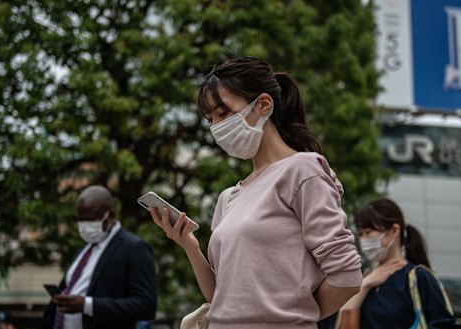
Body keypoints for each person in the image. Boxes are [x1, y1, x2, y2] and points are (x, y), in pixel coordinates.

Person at [150, 56, 362, 328]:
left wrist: (293, 316)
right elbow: (221, 296)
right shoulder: (230, 196)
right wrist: (190, 246)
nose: (216, 126)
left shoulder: (302, 170)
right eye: (210, 119)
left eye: (223, 113)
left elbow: (346, 276)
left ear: (263, 104)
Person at [41, 185, 157, 329]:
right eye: (81, 220)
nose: (84, 226)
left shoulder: (134, 248)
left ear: (111, 216)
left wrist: (87, 305)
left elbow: (146, 306)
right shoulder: (84, 250)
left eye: (90, 219)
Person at [335, 198, 461, 329]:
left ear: (395, 230)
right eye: (360, 234)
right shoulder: (364, 280)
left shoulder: (418, 277)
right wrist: (365, 285)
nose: (364, 239)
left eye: (368, 232)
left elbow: (445, 324)